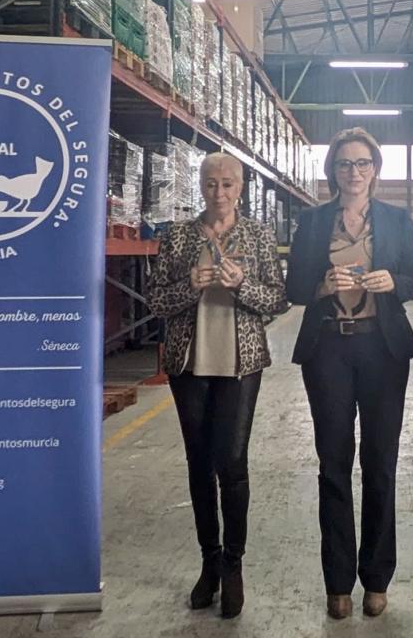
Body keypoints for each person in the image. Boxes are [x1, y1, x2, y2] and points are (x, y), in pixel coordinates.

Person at [286, 128, 413, 620]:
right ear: (333, 171)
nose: (355, 172)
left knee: (381, 463)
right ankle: (338, 581)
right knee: (333, 465)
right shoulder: (313, 220)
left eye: (363, 163)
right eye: (345, 164)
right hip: (329, 352)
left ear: (375, 169)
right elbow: (294, 287)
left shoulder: (397, 220)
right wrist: (321, 284)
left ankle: (377, 578)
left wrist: (394, 283)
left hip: (383, 351)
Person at [147, 152, 287, 619]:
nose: (219, 192)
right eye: (210, 184)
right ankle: (209, 561)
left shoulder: (258, 236)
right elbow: (158, 301)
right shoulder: (179, 237)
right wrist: (191, 284)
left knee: (232, 462)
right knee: (199, 464)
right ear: (200, 188)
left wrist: (242, 284)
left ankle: (233, 565)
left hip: (241, 365)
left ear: (240, 187)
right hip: (190, 365)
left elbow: (276, 300)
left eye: (227, 184)